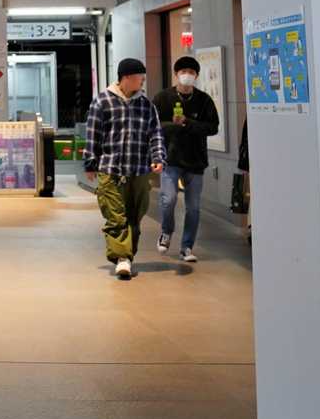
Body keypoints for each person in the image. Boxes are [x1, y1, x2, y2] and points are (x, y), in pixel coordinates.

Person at [83, 58, 165, 280]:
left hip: (139, 170)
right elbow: (92, 134)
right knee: (115, 216)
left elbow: (155, 134)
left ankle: (127, 255)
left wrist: (158, 157)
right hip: (110, 169)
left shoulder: (146, 105)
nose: (143, 81)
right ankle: (122, 258)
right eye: (140, 77)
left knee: (134, 217)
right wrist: (90, 162)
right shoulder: (102, 102)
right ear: (127, 77)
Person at [153, 55, 220, 263]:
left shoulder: (204, 100)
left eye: (191, 72)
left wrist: (188, 123)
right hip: (170, 158)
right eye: (183, 72)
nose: (187, 75)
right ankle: (166, 232)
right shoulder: (162, 98)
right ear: (176, 74)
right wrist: (174, 126)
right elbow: (153, 126)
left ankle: (187, 247)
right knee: (168, 199)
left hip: (195, 160)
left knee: (193, 207)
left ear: (196, 76)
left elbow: (213, 127)